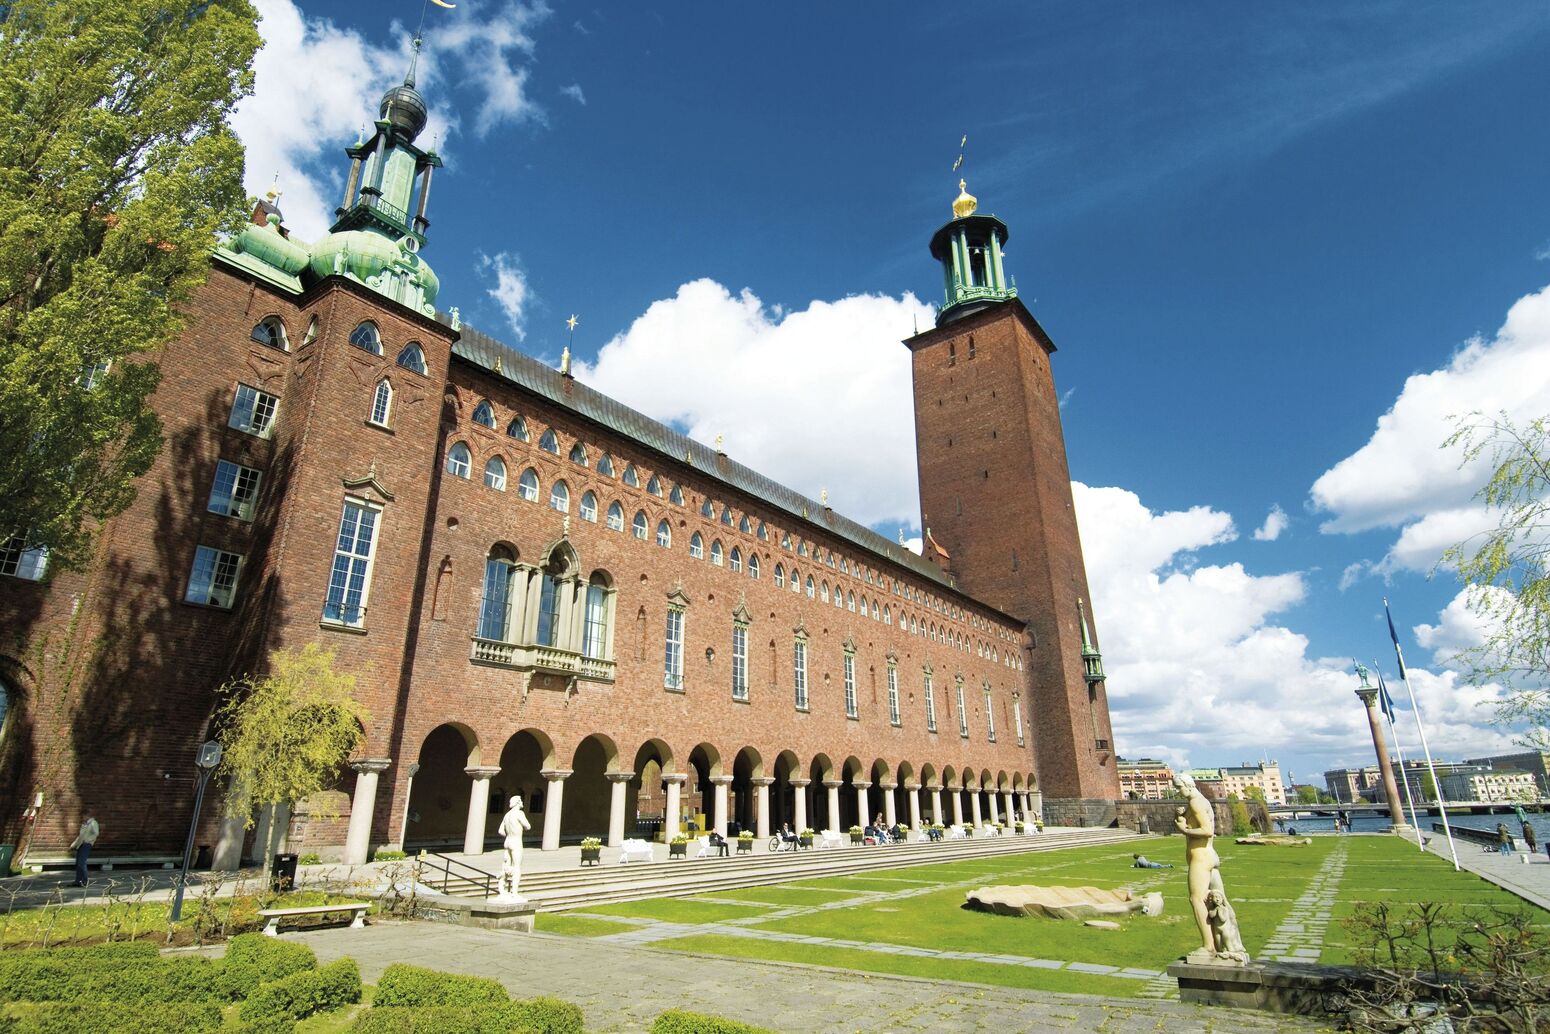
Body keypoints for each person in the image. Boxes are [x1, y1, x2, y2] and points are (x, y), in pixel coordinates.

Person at [496, 795, 531, 899]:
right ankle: (514, 892)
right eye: (520, 800)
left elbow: (500, 831)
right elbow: (528, 826)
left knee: (505, 866)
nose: (522, 802)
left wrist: (508, 834)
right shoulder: (519, 813)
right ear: (517, 802)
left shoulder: (507, 815)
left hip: (507, 841)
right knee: (517, 867)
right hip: (516, 841)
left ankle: (502, 890)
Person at [69, 815, 99, 888]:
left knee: (82, 862)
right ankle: (78, 881)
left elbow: (96, 833)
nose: (82, 818)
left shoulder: (93, 823)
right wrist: (72, 845)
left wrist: (88, 841)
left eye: (83, 816)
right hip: (81, 845)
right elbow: (80, 836)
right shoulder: (85, 825)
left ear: (87, 816)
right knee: (78, 863)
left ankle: (84, 881)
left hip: (86, 844)